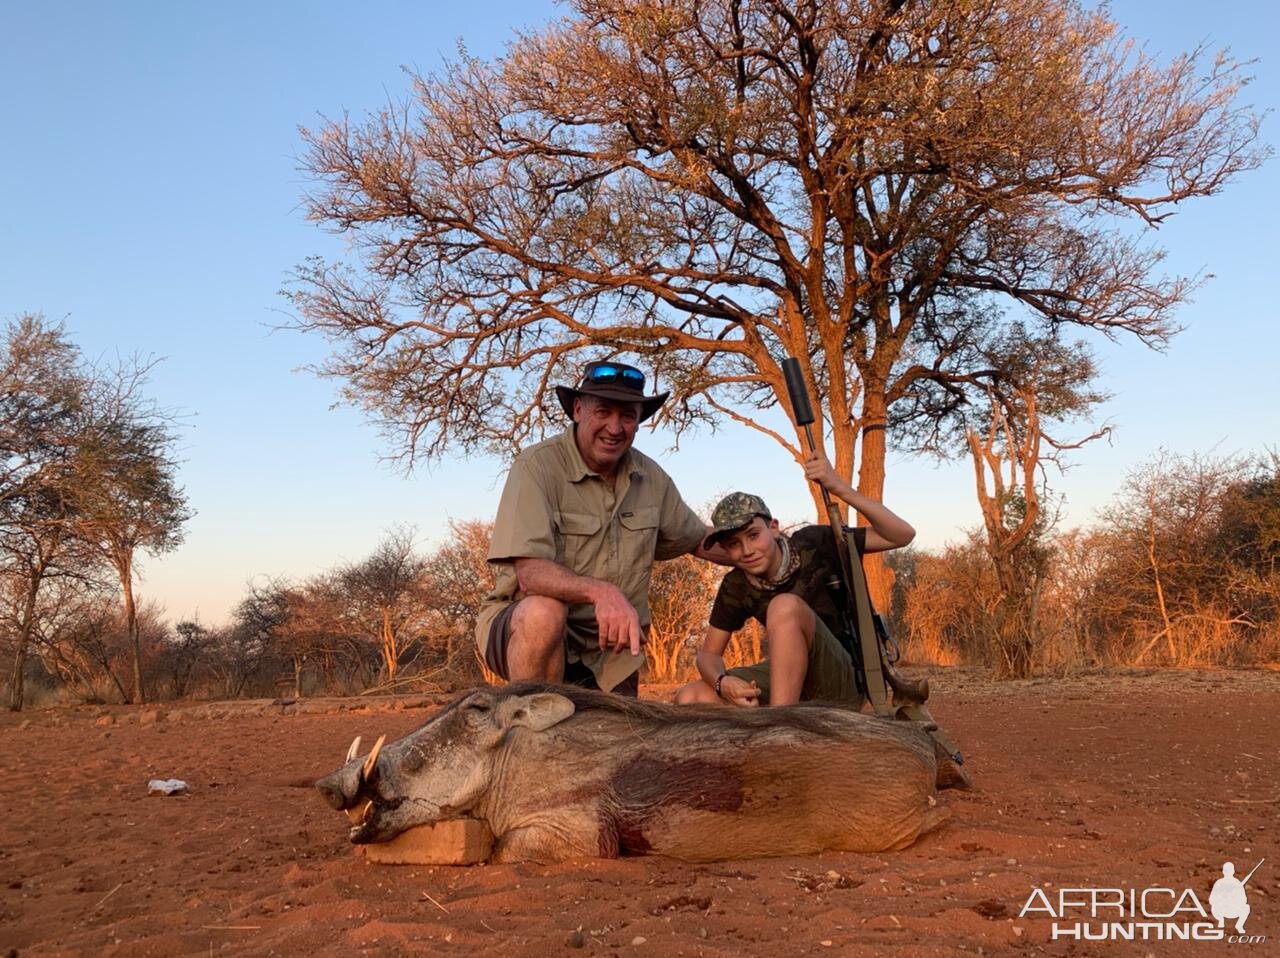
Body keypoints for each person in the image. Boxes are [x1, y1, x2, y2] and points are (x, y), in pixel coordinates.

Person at [475, 360, 722, 697]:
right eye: (603, 411)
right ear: (578, 409)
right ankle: (527, 729)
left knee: (618, 746)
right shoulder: (536, 465)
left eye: (628, 416)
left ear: (638, 422)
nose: (615, 428)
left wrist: (766, 549)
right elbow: (530, 574)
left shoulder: (652, 477)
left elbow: (697, 539)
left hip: (612, 649)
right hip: (528, 631)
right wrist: (602, 592)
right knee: (544, 613)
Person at [674, 452, 915, 708]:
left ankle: (780, 728)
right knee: (690, 697)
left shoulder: (816, 541)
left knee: (784, 606)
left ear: (774, 528)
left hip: (844, 680)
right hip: (788, 680)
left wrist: (838, 487)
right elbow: (708, 655)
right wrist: (723, 683)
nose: (747, 550)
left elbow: (901, 535)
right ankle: (771, 730)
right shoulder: (736, 584)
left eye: (753, 535)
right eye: (734, 544)